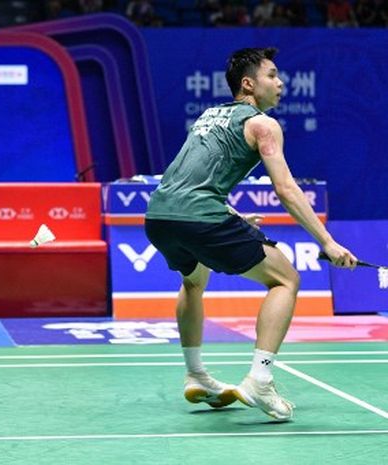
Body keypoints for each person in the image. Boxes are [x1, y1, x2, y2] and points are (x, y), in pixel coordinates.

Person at [144, 48, 357, 421]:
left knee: (193, 283)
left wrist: (234, 215)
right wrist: (327, 241)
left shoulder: (208, 117)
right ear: (248, 84)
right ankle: (260, 379)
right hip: (201, 217)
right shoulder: (263, 124)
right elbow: (287, 189)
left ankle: (195, 373)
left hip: (159, 216)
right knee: (285, 279)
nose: (280, 83)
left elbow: (187, 179)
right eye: (272, 75)